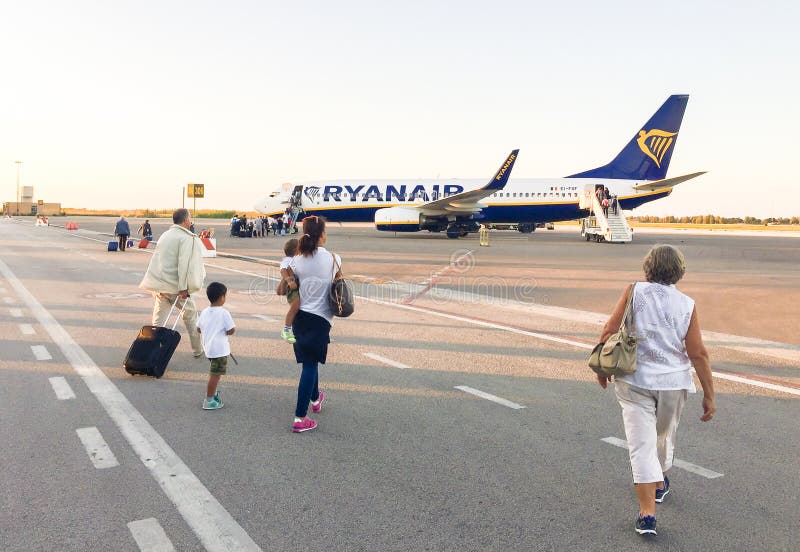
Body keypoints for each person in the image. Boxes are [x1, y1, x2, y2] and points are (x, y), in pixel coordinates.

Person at [596, 244, 715, 536]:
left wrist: (601, 366)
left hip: (634, 379)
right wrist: (709, 395)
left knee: (642, 445)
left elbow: (609, 329)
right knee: (663, 436)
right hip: (673, 384)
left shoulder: (633, 290)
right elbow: (698, 353)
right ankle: (656, 490)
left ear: (648, 267)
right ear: (679, 271)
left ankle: (649, 511)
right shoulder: (687, 304)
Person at [288, 216, 342, 433]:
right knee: (310, 366)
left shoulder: (296, 260)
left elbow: (289, 279)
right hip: (321, 319)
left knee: (311, 361)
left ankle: (315, 399)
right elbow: (339, 283)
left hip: (300, 317)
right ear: (322, 235)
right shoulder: (334, 259)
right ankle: (300, 418)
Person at [139, 208, 206, 358]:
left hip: (160, 286)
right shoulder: (186, 238)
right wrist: (183, 288)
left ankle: (150, 351)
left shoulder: (165, 235)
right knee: (190, 317)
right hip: (176, 287)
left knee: (158, 322)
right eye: (189, 218)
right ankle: (198, 350)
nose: (190, 221)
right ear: (186, 220)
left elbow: (157, 260)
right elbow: (184, 265)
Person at [196, 282, 235, 410]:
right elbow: (231, 330)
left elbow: (198, 329)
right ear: (222, 297)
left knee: (215, 373)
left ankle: (213, 392)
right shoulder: (224, 313)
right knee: (215, 375)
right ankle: (209, 400)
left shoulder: (205, 311)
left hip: (209, 349)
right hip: (220, 350)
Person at [279, 238, 301, 343]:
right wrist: (289, 281)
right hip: (292, 289)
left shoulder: (295, 259)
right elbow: (283, 270)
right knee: (295, 306)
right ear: (295, 250)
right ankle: (286, 329)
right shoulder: (287, 260)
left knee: (297, 308)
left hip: (296, 287)